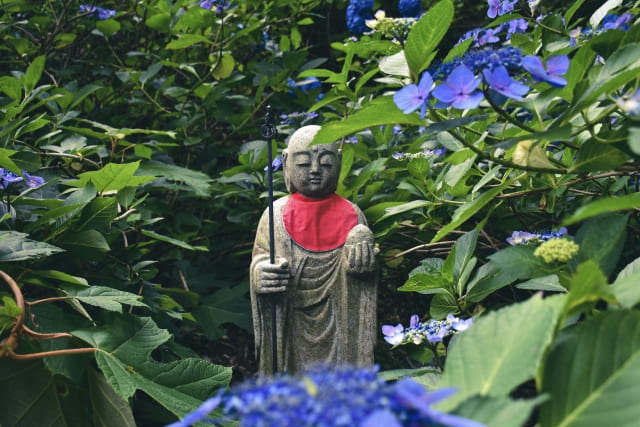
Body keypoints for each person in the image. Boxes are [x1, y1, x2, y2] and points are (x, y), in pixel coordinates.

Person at [250, 125, 378, 374]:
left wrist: (364, 262)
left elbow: (364, 280)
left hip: (340, 322)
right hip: (290, 321)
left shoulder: (353, 215)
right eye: (303, 164)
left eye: (327, 163)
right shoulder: (274, 216)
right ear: (286, 163)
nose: (316, 170)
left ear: (339, 163)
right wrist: (261, 273)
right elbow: (261, 257)